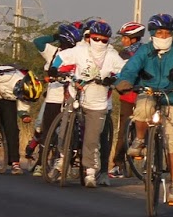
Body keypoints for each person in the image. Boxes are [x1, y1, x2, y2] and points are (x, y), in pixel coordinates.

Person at [114, 13, 173, 206]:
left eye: (167, 33)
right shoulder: (145, 51)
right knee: (142, 109)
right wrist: (125, 81)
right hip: (149, 91)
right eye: (160, 32)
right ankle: (139, 139)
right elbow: (131, 68)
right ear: (152, 34)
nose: (164, 36)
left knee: (172, 142)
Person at [50, 19, 123, 187]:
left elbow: (124, 70)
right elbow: (61, 58)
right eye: (96, 39)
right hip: (76, 95)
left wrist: (113, 78)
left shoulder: (112, 55)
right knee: (64, 130)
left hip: (98, 102)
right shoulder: (80, 50)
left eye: (103, 40)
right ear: (90, 37)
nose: (99, 43)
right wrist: (54, 69)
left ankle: (90, 172)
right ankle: (62, 159)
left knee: (92, 139)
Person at [26, 22, 83, 175]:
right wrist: (54, 36)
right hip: (54, 97)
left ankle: (66, 162)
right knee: (47, 130)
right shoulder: (53, 52)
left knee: (69, 132)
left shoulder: (78, 54)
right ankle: (41, 162)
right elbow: (38, 42)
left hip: (71, 97)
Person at [107, 21, 146, 177]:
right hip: (128, 96)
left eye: (125, 37)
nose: (122, 40)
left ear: (134, 39)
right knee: (123, 129)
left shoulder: (147, 53)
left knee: (150, 126)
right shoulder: (122, 55)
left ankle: (151, 160)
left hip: (145, 95)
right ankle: (118, 163)